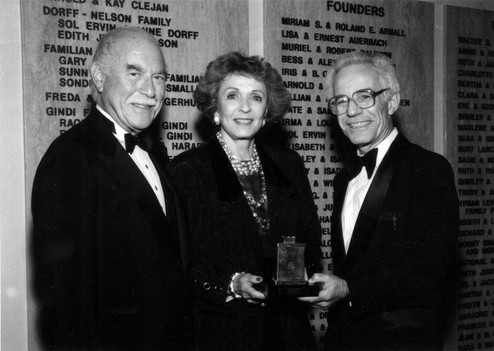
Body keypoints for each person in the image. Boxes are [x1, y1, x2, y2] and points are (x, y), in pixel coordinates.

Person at [32, 27, 191, 350]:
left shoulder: (155, 154)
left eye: (159, 78)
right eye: (135, 73)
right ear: (99, 78)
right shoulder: (71, 158)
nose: (150, 90)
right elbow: (67, 302)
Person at [300, 52, 459, 350]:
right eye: (341, 101)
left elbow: (430, 269)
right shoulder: (343, 180)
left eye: (365, 96)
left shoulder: (428, 169)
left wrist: (348, 289)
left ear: (392, 101)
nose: (352, 111)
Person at [168, 51, 322, 351]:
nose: (245, 108)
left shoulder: (288, 164)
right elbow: (182, 263)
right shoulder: (187, 171)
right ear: (215, 107)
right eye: (233, 95)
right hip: (222, 331)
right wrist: (231, 282)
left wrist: (299, 271)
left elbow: (310, 237)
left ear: (267, 111)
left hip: (288, 332)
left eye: (256, 97)